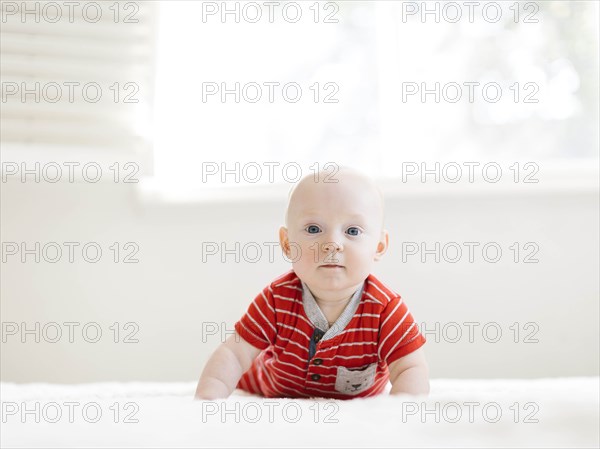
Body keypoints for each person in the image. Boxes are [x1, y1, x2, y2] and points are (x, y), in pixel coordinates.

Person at [195, 166, 429, 399]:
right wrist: (208, 400)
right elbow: (235, 354)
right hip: (270, 382)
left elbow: (410, 368)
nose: (332, 244)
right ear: (287, 244)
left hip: (360, 399)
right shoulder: (276, 299)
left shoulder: (386, 309)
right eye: (314, 229)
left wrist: (402, 415)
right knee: (243, 369)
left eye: (353, 231)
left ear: (378, 246)